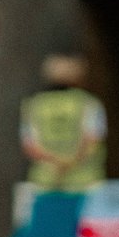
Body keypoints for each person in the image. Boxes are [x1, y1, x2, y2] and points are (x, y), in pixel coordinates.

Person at [21, 55, 106, 193]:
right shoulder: (89, 103)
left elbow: (30, 146)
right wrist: (69, 163)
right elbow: (92, 140)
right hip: (84, 183)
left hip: (45, 183)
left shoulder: (34, 104)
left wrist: (56, 164)